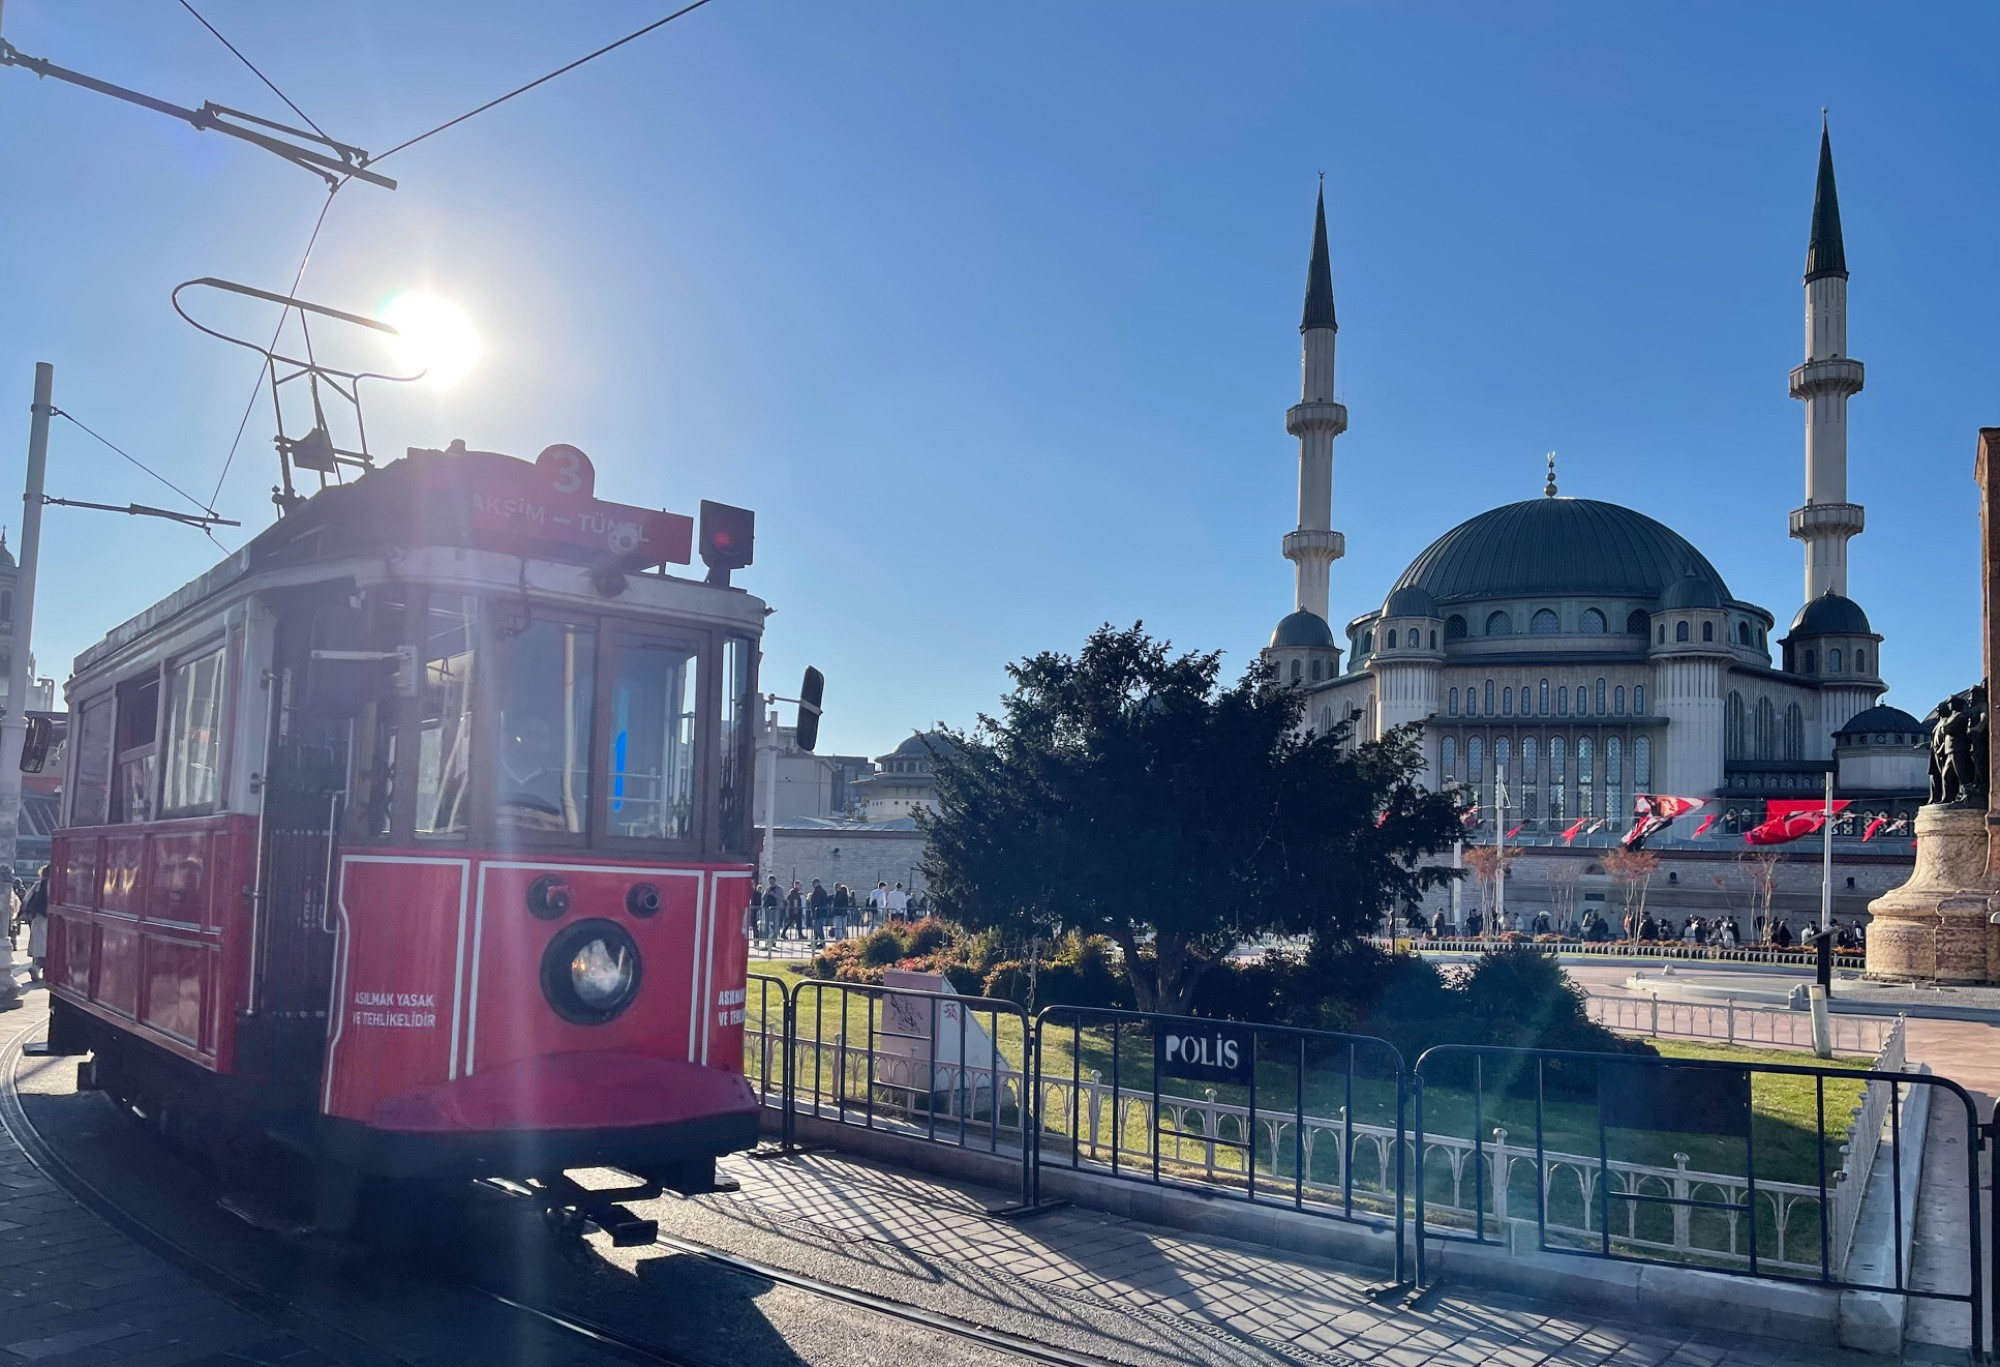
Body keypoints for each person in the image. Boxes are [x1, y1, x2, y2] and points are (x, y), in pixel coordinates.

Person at [21, 866, 48, 984]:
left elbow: (26, 899)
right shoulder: (58, 885)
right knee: (50, 946)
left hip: (38, 918)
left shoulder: (38, 885)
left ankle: (35, 967)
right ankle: (43, 970)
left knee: (38, 946)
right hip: (52, 918)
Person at [807, 879, 830, 946]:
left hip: (818, 912)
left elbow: (816, 902)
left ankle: (822, 942)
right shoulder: (821, 891)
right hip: (819, 912)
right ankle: (815, 942)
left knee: (818, 928)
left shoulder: (818, 891)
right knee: (816, 928)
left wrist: (814, 910)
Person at [760, 878, 783, 943]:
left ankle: (773, 939)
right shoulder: (767, 888)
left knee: (776, 924)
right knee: (767, 924)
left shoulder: (779, 889)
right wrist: (766, 893)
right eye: (770, 882)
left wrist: (774, 894)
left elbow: (782, 898)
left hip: (776, 908)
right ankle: (768, 940)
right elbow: (763, 898)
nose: (771, 883)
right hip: (767, 908)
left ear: (775, 881)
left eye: (772, 881)